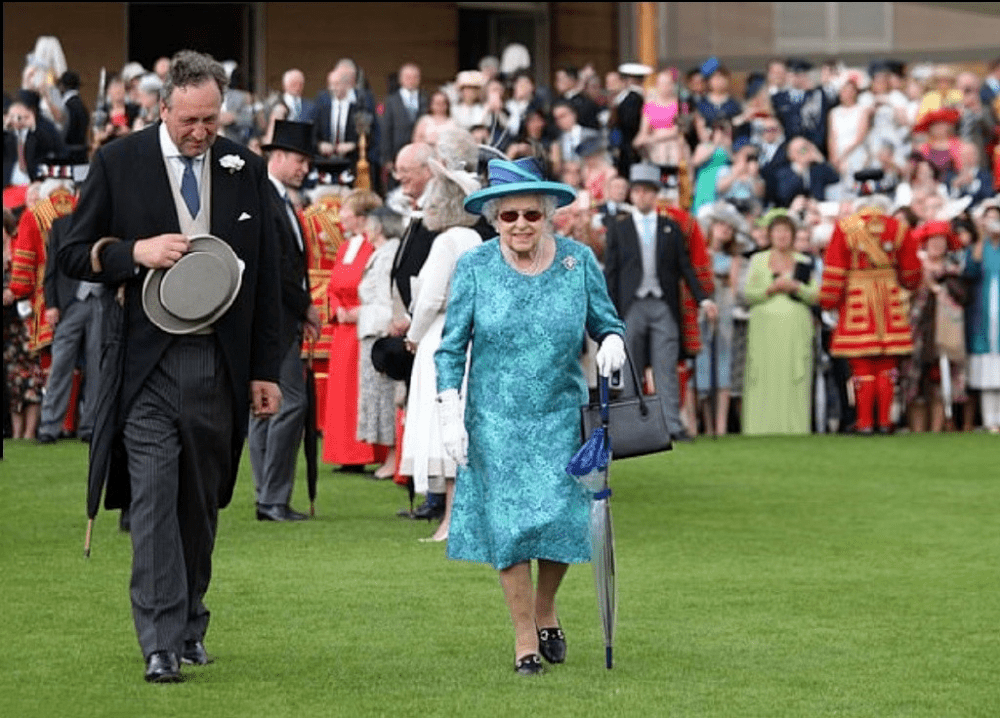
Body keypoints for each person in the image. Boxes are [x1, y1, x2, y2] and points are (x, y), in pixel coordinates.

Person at [58, 50, 283, 683]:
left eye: (212, 120)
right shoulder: (118, 162)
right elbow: (72, 253)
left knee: (200, 503)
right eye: (190, 120)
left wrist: (266, 369)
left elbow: (265, 279)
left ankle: (189, 622)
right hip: (143, 362)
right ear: (163, 108)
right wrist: (135, 251)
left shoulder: (246, 168)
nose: (202, 133)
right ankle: (158, 640)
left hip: (218, 361)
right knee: (154, 498)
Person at [434, 156, 627, 675]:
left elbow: (609, 322)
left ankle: (546, 607)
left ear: (549, 215)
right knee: (510, 527)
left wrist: (611, 342)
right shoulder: (475, 267)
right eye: (509, 216)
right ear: (495, 218)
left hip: (560, 415)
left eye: (531, 215)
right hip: (494, 420)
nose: (520, 225)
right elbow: (450, 349)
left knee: (561, 522)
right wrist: (449, 408)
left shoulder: (577, 261)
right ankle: (524, 637)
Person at [604, 163, 718, 442]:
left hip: (663, 304)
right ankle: (631, 428)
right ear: (632, 194)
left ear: (655, 194)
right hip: (630, 306)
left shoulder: (671, 227)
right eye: (638, 191)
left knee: (666, 367)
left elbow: (685, 267)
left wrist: (703, 299)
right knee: (630, 368)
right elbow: (612, 273)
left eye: (647, 191)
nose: (642, 196)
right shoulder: (619, 228)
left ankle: (671, 426)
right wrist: (608, 312)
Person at [401, 156, 481, 541]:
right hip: (468, 336)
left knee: (442, 426)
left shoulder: (447, 241)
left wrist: (413, 335)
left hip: (441, 334)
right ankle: (458, 518)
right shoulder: (475, 238)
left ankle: (452, 520)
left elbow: (430, 297)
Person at [248, 120, 321, 521]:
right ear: (276, 157)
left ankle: (267, 494)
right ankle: (273, 498)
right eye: (299, 159)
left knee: (266, 405)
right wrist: (305, 306)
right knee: (290, 403)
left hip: (277, 317)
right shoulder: (268, 202)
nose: (304, 168)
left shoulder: (282, 202)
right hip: (275, 318)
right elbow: (277, 268)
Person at [819, 200, 922, 433]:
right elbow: (911, 273)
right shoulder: (898, 228)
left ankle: (864, 422)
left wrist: (828, 301)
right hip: (888, 299)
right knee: (887, 365)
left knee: (861, 366)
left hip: (858, 298)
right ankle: (885, 421)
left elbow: (835, 270)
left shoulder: (845, 227)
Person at [322, 189, 386, 470]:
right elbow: (334, 284)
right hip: (343, 330)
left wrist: (357, 311)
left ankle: (365, 453)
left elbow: (377, 285)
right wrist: (337, 309)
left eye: (345, 211)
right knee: (341, 397)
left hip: (363, 326)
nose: (340, 216)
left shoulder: (375, 248)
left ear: (360, 216)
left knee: (361, 392)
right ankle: (345, 454)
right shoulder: (346, 247)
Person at [741, 213, 820, 434]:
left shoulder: (803, 262)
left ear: (793, 235)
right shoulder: (758, 260)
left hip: (795, 328)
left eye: (786, 232)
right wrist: (770, 289)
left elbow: (814, 294)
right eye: (777, 231)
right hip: (764, 328)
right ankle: (760, 427)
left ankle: (794, 426)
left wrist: (797, 288)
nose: (782, 236)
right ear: (770, 235)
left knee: (795, 374)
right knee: (763, 374)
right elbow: (748, 293)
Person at [964, 200, 1000, 432]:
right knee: (986, 365)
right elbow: (970, 272)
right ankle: (989, 420)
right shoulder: (978, 248)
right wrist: (980, 237)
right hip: (983, 312)